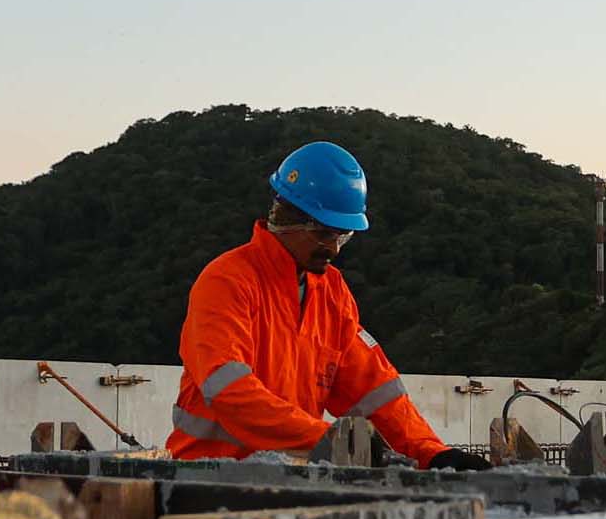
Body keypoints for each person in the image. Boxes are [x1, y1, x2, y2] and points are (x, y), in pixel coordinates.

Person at [168, 142, 483, 469]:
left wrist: (430, 452)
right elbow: (229, 393)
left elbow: (373, 388)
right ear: (286, 218)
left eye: (342, 236)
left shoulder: (331, 292)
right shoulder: (228, 281)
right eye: (323, 234)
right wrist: (330, 439)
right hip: (207, 475)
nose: (333, 249)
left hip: (290, 478)